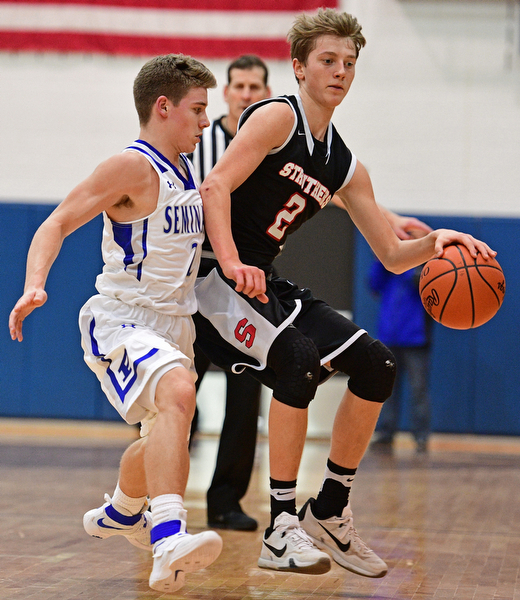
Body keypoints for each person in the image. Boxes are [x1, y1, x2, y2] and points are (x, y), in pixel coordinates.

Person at [193, 8, 496, 579]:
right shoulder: (276, 118)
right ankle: (281, 526)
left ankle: (328, 509)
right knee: (298, 362)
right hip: (213, 278)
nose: (339, 72)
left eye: (349, 63)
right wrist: (232, 263)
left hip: (261, 278)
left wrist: (440, 242)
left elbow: (392, 252)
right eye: (327, 61)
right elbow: (215, 185)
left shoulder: (345, 164)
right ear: (299, 67)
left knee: (376, 365)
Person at [8, 54, 223, 594]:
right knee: (178, 391)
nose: (204, 121)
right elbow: (56, 222)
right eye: (197, 110)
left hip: (176, 325)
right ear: (163, 106)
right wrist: (35, 283)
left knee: (161, 438)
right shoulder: (132, 166)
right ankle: (167, 535)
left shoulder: (186, 168)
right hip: (124, 319)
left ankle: (125, 510)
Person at [189, 54, 271, 532]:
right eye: (237, 86)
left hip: (246, 284)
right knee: (177, 392)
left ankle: (225, 502)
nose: (245, 94)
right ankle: (159, 496)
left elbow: (337, 188)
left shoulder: (275, 147)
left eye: (254, 87)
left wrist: (387, 220)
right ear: (226, 92)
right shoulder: (199, 143)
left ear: (266, 92)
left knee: (245, 396)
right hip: (196, 280)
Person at [369, 260, 432, 453]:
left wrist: (403, 263)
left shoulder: (425, 268)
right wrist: (382, 260)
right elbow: (373, 284)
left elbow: (419, 283)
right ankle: (386, 433)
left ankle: (421, 436)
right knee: (387, 389)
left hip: (415, 338)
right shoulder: (388, 268)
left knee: (418, 389)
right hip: (389, 337)